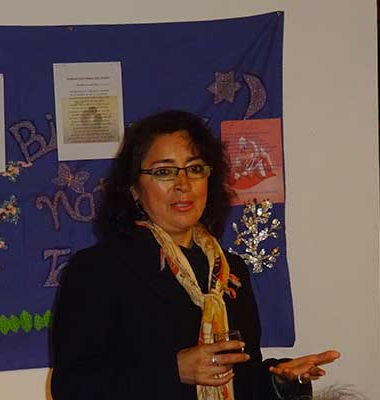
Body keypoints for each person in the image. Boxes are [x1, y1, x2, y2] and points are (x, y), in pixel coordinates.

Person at [50, 110, 340, 400]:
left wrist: (280, 379)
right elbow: (71, 388)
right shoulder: (99, 270)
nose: (183, 184)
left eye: (195, 169)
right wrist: (174, 370)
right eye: (164, 172)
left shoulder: (230, 272)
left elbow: (241, 379)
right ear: (134, 189)